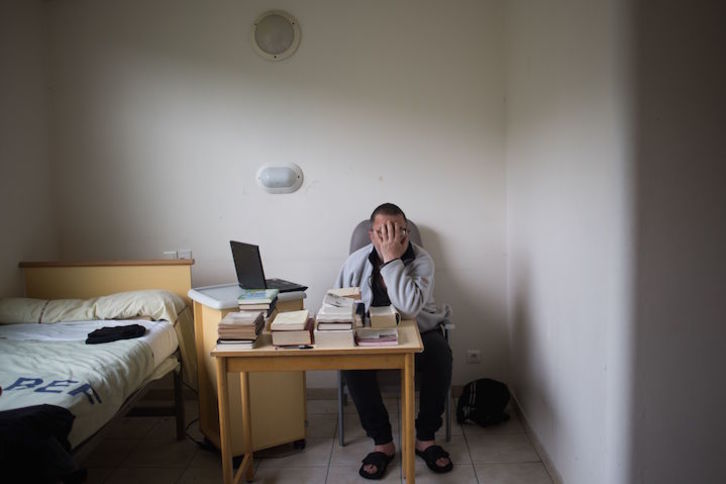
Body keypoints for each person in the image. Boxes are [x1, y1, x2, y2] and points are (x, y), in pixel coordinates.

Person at [336, 202, 453, 480]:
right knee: (352, 364)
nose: (390, 237)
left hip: (418, 331)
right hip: (370, 335)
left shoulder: (423, 260)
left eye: (397, 230)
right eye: (382, 232)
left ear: (407, 232)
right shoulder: (355, 261)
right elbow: (337, 303)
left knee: (440, 353)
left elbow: (410, 308)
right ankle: (382, 443)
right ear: (371, 235)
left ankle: (425, 438)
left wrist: (391, 260)